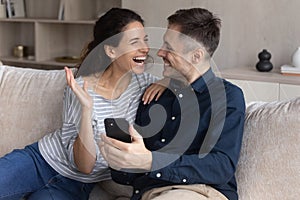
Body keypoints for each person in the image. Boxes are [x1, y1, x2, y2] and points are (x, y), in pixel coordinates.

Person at [0, 8, 165, 200]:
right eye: (134, 42)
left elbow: (85, 167)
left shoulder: (146, 84)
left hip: (76, 183)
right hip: (40, 160)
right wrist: (86, 106)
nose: (145, 48)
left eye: (145, 39)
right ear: (111, 50)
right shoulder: (81, 86)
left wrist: (168, 80)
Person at [100, 7, 246, 200]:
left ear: (196, 56)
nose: (160, 52)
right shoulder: (155, 95)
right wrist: (121, 159)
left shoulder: (228, 97)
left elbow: (221, 165)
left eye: (169, 48)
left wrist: (152, 162)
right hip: (149, 193)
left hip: (201, 192)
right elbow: (128, 175)